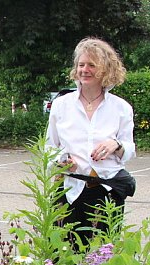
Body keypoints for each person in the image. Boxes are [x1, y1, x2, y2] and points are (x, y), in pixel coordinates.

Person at [45, 37, 136, 247]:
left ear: (106, 70)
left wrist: (116, 145)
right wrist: (61, 160)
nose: (84, 70)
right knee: (63, 254)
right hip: (69, 189)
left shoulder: (121, 108)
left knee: (102, 254)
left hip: (105, 190)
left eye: (92, 65)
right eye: (81, 64)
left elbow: (129, 149)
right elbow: (49, 147)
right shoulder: (61, 105)